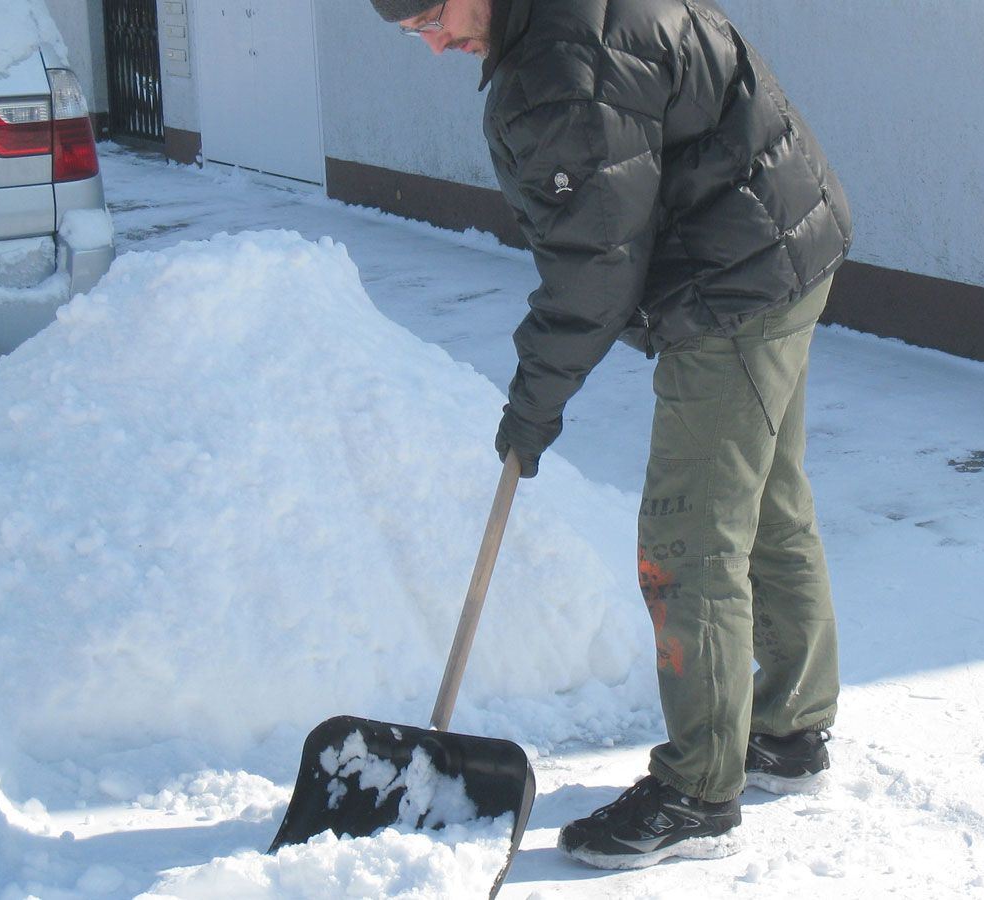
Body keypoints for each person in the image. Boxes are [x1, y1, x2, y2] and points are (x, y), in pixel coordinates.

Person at [376, 0, 853, 869]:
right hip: (781, 236)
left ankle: (699, 794)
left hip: (734, 279)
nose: (435, 41)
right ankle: (788, 730)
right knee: (767, 501)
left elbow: (594, 268)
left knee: (690, 535)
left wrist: (532, 406)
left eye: (433, 14)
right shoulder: (563, 25)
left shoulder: (563, 66)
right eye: (413, 32)